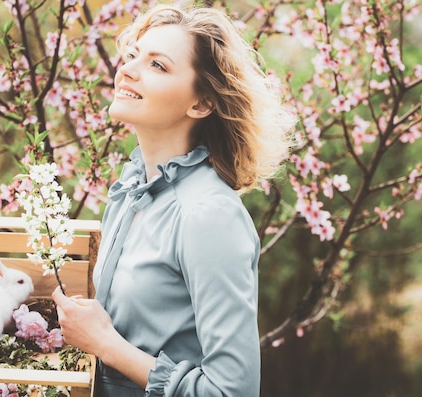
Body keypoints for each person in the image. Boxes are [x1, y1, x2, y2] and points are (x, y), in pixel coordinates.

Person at [52, 3, 294, 396]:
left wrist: (107, 346)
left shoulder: (208, 215)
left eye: (158, 65)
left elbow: (233, 391)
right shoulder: (131, 189)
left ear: (200, 104)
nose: (127, 69)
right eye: (133, 56)